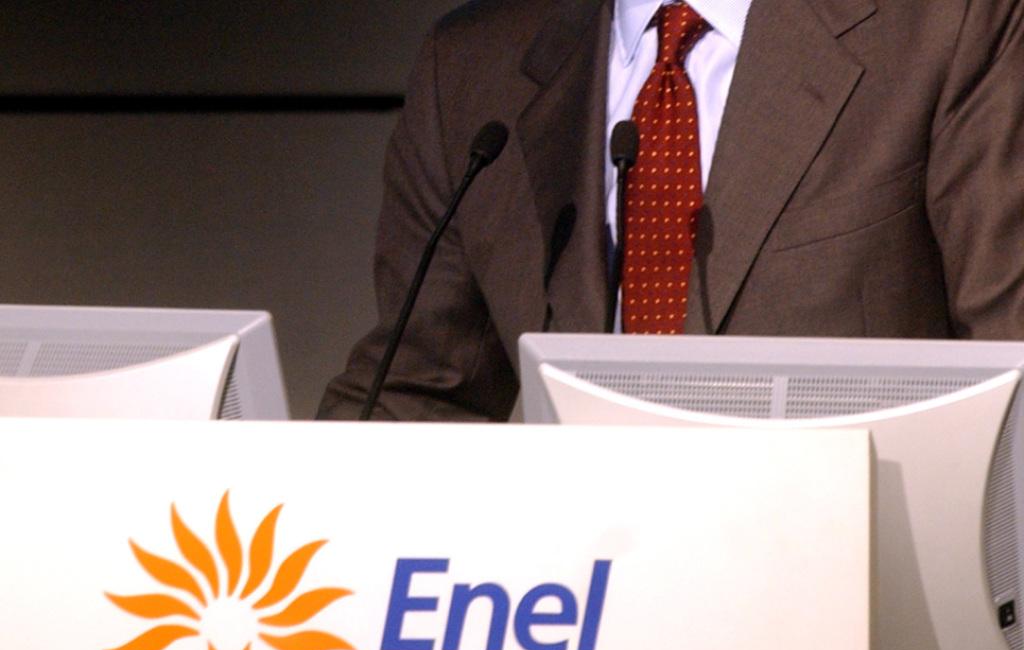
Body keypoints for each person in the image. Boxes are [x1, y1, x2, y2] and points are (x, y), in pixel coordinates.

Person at [318, 0, 1024, 422]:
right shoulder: (469, 67)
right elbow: (416, 395)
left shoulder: (950, 24)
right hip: (581, 597)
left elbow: (1008, 351)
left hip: (849, 586)